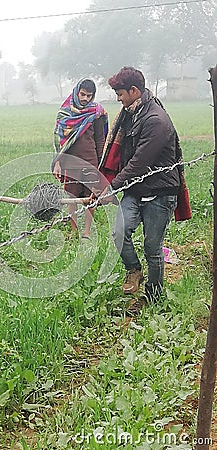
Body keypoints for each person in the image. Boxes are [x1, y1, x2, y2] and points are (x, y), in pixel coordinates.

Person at [99, 67, 190, 314]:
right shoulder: (131, 113)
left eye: (120, 93)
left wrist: (110, 188)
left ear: (134, 91)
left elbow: (139, 163)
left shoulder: (155, 121)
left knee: (152, 246)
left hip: (160, 192)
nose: (118, 98)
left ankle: (155, 295)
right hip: (136, 190)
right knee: (119, 232)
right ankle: (133, 270)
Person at [52, 78, 108, 239]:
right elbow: (59, 142)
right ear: (77, 92)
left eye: (89, 96)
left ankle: (86, 232)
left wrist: (100, 164)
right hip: (70, 162)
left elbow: (100, 139)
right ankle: (74, 230)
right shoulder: (64, 113)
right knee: (71, 197)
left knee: (91, 197)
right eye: (82, 94)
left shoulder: (96, 113)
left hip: (91, 161)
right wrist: (57, 163)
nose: (85, 99)